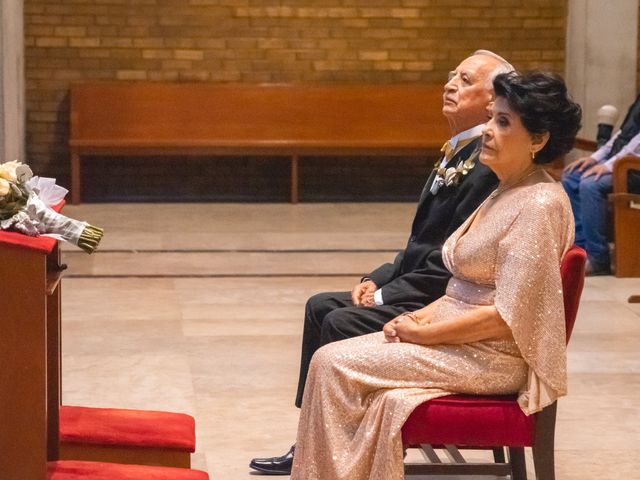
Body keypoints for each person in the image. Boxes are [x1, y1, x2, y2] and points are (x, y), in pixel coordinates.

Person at [289, 71, 581, 480]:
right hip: (459, 338)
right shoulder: (506, 190)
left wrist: (424, 334)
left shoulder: (538, 205)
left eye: (503, 122)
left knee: (333, 363)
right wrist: (421, 317)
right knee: (332, 361)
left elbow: (507, 316)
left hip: (492, 355)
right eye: (492, 118)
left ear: (538, 139)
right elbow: (462, 284)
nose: (488, 131)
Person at [250, 49, 513, 475]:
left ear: (492, 101)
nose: (450, 85)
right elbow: (420, 246)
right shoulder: (457, 151)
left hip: (440, 299)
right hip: (422, 281)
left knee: (341, 322)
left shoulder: (485, 164)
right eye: (451, 75)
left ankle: (335, 445)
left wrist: (387, 295)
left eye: (465, 81)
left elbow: (451, 260)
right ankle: (311, 435)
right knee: (321, 306)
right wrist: (376, 278)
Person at [562, 94, 640, 275]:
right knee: (571, 177)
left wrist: (607, 166)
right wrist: (593, 158)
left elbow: (635, 145)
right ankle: (581, 252)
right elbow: (622, 135)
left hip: (633, 168)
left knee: (590, 185)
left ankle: (598, 258)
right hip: (622, 164)